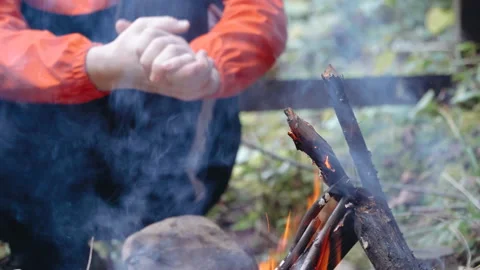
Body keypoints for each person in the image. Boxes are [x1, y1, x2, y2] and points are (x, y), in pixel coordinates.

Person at [0, 0, 287, 269]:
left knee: (170, 246)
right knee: (45, 249)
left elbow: (256, 12)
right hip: (35, 169)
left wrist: (204, 63)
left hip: (180, 156)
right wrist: (94, 65)